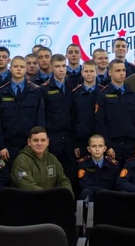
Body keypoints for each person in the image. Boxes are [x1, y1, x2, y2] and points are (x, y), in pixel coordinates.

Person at [0, 56, 45, 161]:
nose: (19, 69)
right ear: (10, 68)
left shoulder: (35, 91)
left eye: (22, 66)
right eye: (15, 66)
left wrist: (38, 143)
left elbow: (40, 119)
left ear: (26, 69)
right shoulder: (1, 91)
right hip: (8, 145)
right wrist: (1, 146)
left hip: (30, 144)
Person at [95, 60, 135, 163]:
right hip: (113, 144)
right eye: (118, 70)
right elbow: (100, 122)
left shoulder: (133, 95)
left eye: (123, 70)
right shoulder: (103, 95)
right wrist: (107, 146)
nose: (122, 73)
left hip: (131, 144)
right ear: (110, 73)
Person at [41, 54, 76, 184]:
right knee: (52, 171)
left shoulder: (72, 86)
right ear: (51, 67)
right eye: (57, 66)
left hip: (69, 136)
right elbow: (42, 115)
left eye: (63, 66)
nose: (61, 69)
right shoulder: (45, 89)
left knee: (71, 170)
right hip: (53, 136)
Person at [11, 126, 73, 194]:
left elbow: (63, 180)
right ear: (29, 142)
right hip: (28, 202)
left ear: (48, 142)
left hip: (49, 201)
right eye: (35, 140)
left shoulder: (52, 159)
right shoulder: (21, 161)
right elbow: (27, 187)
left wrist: (68, 196)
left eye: (43, 140)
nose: (39, 144)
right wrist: (49, 197)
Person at [72, 60, 102, 159]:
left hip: (100, 138)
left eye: (91, 71)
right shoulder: (75, 93)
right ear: (82, 72)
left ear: (96, 72)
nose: (89, 74)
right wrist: (75, 144)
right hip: (82, 140)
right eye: (86, 71)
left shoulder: (103, 92)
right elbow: (73, 119)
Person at [76, 134, 120, 200]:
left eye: (100, 146)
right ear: (88, 149)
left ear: (104, 148)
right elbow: (84, 184)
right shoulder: (82, 165)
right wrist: (104, 192)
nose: (97, 149)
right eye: (93, 146)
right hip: (91, 198)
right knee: (86, 192)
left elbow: (117, 185)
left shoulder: (113, 165)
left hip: (109, 198)